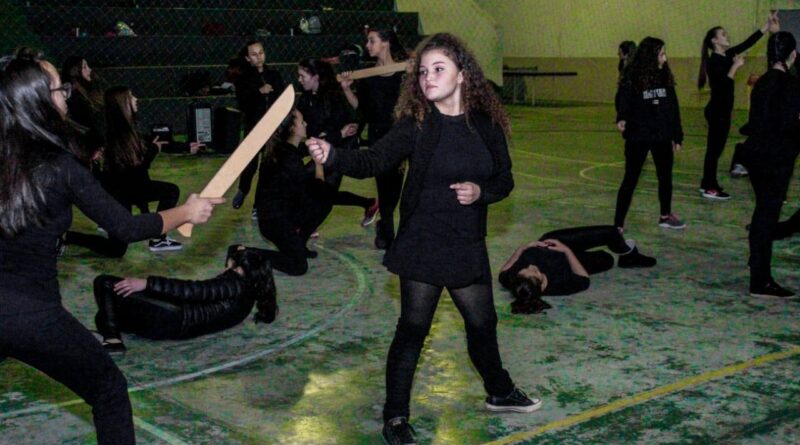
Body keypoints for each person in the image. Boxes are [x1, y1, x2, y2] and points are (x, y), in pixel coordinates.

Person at [308, 33, 540, 445]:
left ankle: (499, 391)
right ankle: (396, 417)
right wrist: (334, 155)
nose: (427, 78)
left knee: (483, 323)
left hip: (466, 240)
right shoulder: (416, 124)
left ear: (462, 74)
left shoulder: (485, 125)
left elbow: (505, 180)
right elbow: (374, 160)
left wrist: (480, 193)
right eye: (422, 71)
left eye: (438, 69)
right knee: (413, 329)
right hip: (422, 240)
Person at [0, 56, 222, 445]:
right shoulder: (58, 166)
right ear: (38, 100)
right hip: (30, 314)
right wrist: (187, 211)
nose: (67, 96)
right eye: (59, 88)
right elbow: (125, 226)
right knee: (109, 392)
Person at [92, 245, 277, 354]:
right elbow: (234, 249)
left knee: (104, 283)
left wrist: (147, 283)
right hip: (179, 328)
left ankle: (112, 340)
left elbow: (192, 290)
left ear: (238, 268)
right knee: (106, 316)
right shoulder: (253, 289)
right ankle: (110, 327)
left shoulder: (233, 283)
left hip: (174, 317)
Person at [739, 31, 800, 298]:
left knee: (762, 214)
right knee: (766, 216)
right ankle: (760, 280)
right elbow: (788, 125)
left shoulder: (762, 81)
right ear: (792, 55)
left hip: (756, 155)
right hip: (775, 157)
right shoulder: (790, 84)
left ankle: (758, 262)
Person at [697, 12, 779, 200]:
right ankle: (709, 186)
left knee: (715, 150)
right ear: (714, 41)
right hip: (717, 111)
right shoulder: (713, 62)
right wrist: (735, 67)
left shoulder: (726, 55)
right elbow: (723, 87)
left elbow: (747, 43)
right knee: (714, 150)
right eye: (723, 34)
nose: (727, 36)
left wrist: (766, 26)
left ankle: (707, 183)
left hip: (723, 110)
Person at [340, 28, 409, 249]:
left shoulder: (405, 73)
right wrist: (347, 90)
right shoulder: (368, 77)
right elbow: (362, 109)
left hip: (402, 139)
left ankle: (385, 227)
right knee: (384, 191)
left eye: (372, 41)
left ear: (386, 43)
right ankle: (388, 235)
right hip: (379, 140)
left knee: (396, 193)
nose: (367, 46)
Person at [297, 58, 379, 230]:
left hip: (339, 150)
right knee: (323, 191)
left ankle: (306, 227)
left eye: (303, 76)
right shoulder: (305, 99)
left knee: (308, 182)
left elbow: (351, 124)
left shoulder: (333, 96)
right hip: (322, 147)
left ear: (316, 77)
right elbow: (311, 129)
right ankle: (369, 203)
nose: (300, 79)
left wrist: (337, 134)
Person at [498, 226, 656, 314]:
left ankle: (629, 256)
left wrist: (524, 247)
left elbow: (503, 272)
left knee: (611, 232)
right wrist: (566, 251)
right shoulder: (559, 285)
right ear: (542, 283)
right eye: (533, 271)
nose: (530, 266)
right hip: (573, 259)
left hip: (554, 241)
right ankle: (625, 255)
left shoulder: (513, 281)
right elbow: (584, 280)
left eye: (523, 269)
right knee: (607, 259)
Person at [615, 37, 685, 231]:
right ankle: (618, 224)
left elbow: (673, 107)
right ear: (650, 56)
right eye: (661, 54)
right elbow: (623, 100)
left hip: (662, 136)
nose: (665, 58)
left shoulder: (665, 76)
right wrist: (621, 117)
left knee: (665, 177)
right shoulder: (632, 77)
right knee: (630, 178)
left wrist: (677, 135)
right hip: (638, 136)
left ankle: (665, 215)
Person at [103, 85, 184, 252]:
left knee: (170, 191)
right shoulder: (121, 133)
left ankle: (159, 237)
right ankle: (69, 237)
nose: (136, 99)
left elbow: (155, 144)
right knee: (116, 249)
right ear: (122, 103)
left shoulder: (128, 127)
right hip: (121, 193)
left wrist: (186, 146)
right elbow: (140, 164)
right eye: (131, 96)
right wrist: (154, 149)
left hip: (130, 188)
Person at [252, 109, 331, 276]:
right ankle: (245, 253)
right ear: (293, 130)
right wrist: (318, 164)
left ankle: (298, 244)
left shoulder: (282, 149)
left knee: (324, 202)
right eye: (302, 122)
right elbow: (318, 190)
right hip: (275, 222)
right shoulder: (289, 160)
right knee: (297, 266)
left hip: (278, 215)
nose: (306, 124)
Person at [231, 41, 287, 218]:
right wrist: (258, 92)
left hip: (273, 128)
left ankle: (259, 204)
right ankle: (243, 189)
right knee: (250, 163)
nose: (259, 57)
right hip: (254, 126)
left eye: (261, 53)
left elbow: (281, 98)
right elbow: (243, 103)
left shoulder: (274, 75)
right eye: (254, 54)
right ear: (248, 58)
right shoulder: (243, 79)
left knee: (267, 168)